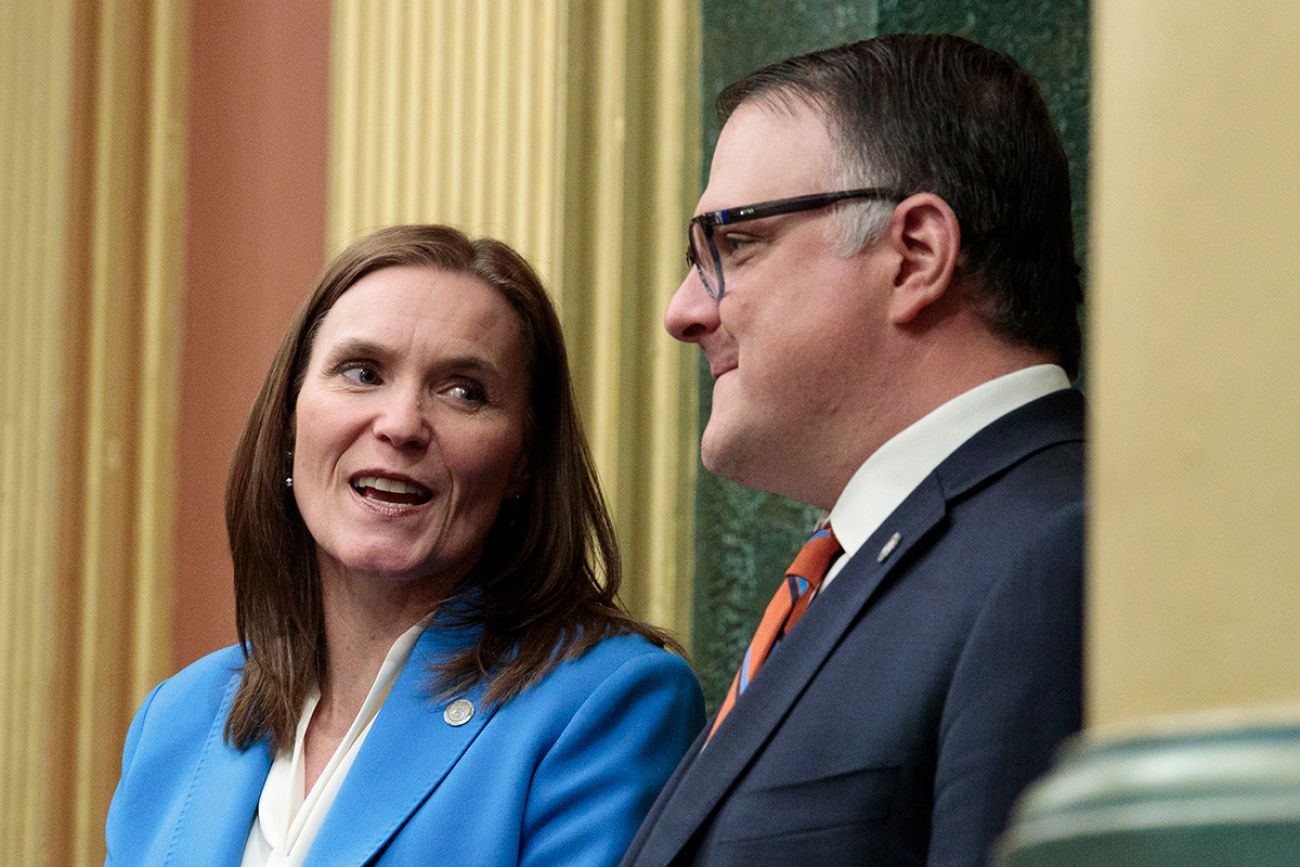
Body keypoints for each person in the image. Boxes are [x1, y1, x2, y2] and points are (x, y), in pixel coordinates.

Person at [621, 34, 1084, 866]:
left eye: (733, 245)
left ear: (915, 254)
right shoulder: (871, 564)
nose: (682, 310)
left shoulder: (1059, 553)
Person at [105, 225, 704, 866]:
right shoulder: (177, 719)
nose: (400, 425)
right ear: (288, 423)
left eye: (463, 391)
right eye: (362, 373)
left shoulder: (611, 707)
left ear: (525, 461)